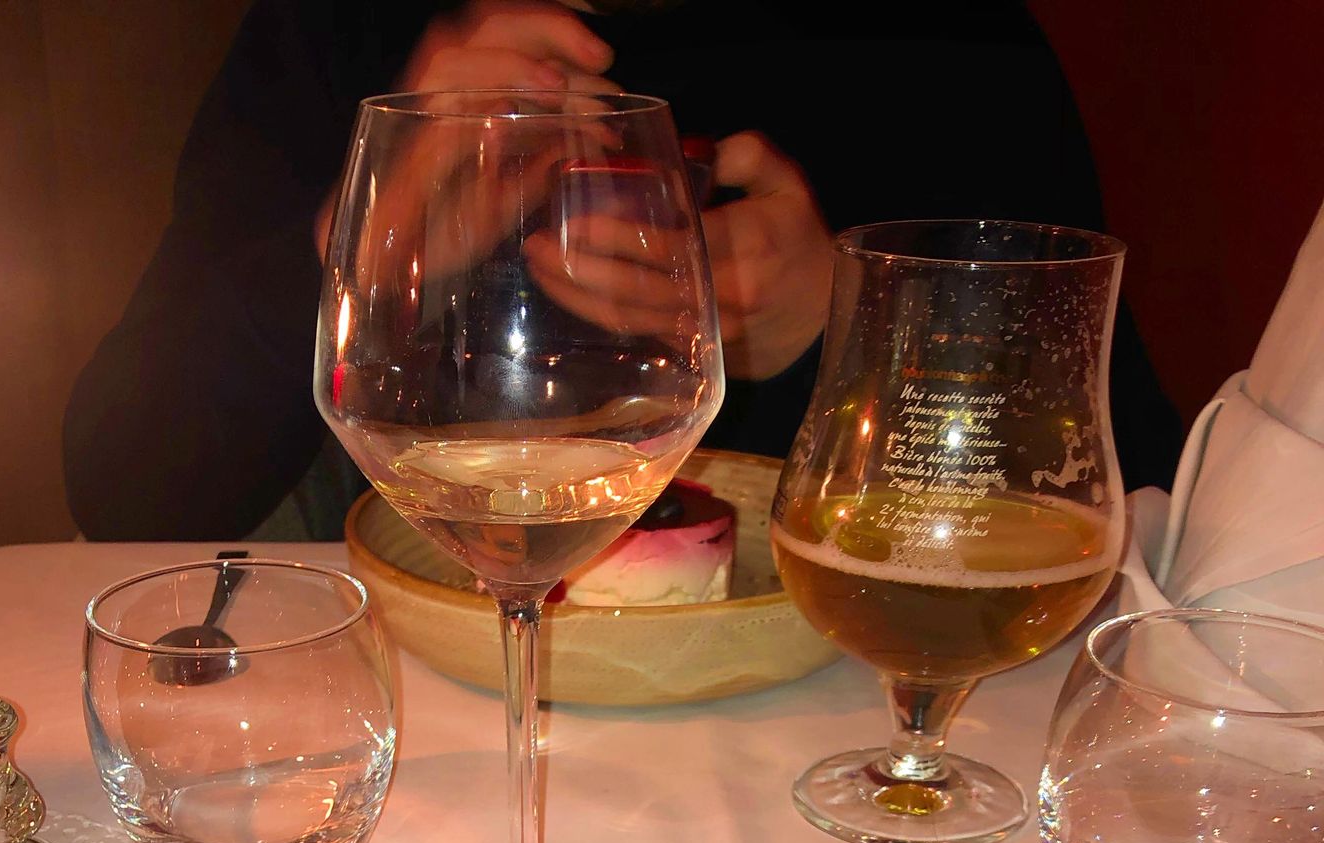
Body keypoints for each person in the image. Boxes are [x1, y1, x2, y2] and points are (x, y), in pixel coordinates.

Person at [64, 0, 1183, 540]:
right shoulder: (341, 32)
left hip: (827, 741)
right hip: (429, 726)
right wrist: (360, 247)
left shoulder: (952, 44)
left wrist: (856, 334)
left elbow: (1119, 495)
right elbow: (125, 491)